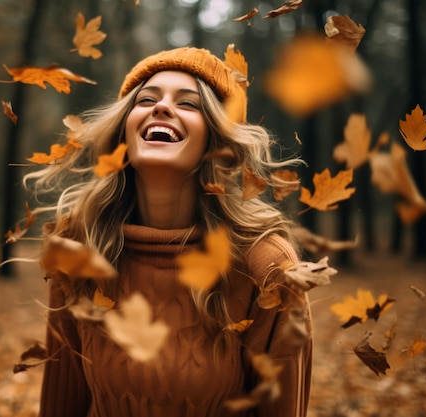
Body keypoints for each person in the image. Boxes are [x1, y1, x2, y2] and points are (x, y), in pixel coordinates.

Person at [25, 46, 313, 417]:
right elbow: (62, 404)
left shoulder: (266, 269)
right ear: (124, 130)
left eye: (189, 104)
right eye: (146, 99)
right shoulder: (81, 248)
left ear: (218, 142)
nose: (161, 108)